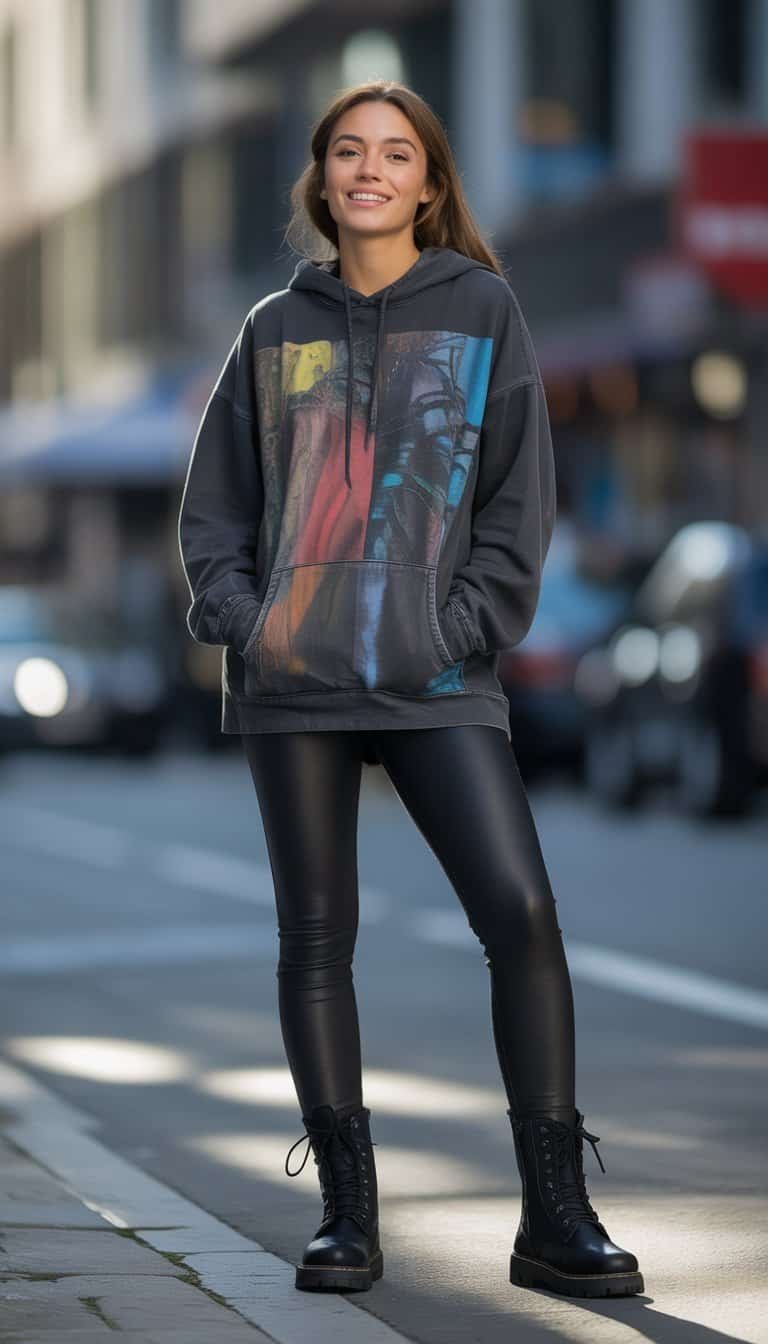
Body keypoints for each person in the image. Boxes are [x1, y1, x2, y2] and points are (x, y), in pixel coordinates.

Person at [177, 79, 643, 1301]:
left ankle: (555, 1214)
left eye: (395, 155)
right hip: (294, 686)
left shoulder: (483, 308)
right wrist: (251, 621)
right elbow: (214, 512)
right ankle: (345, 1219)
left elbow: (515, 498)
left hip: (438, 679)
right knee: (317, 941)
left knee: (521, 917)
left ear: (430, 184)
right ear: (323, 180)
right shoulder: (275, 329)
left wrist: (465, 624)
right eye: (347, 152)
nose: (370, 171)